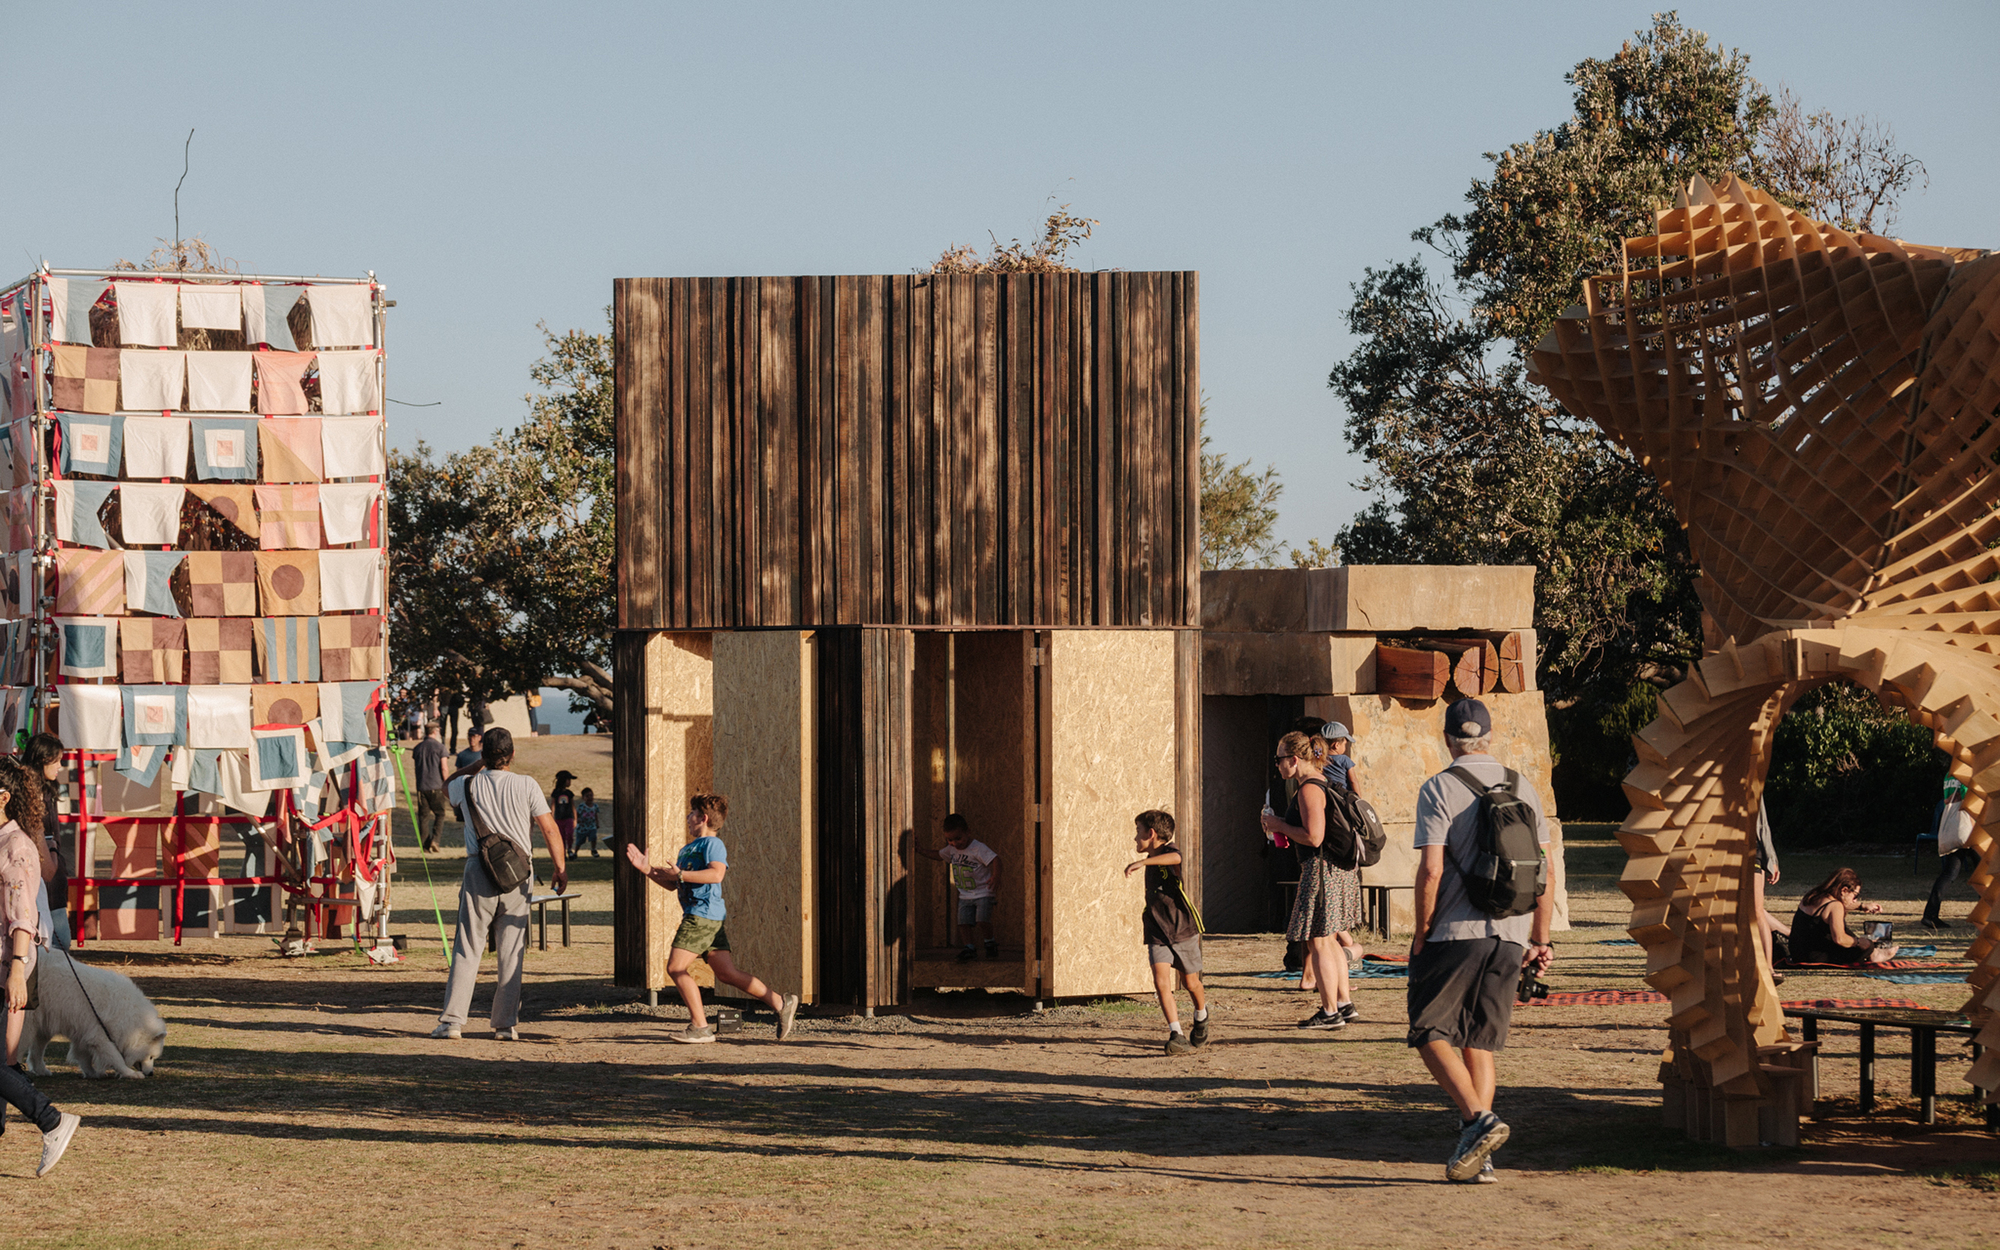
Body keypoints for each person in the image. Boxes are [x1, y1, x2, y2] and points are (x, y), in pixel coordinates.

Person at [1407, 697, 1553, 1184]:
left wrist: (1422, 931)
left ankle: (1477, 1121)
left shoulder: (1439, 787)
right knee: (1478, 1041)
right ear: (1489, 738)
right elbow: (1547, 870)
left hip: (1455, 932)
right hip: (1510, 934)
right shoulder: (1523, 786)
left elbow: (1431, 869)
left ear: (1448, 739)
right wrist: (1540, 938)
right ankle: (1480, 1156)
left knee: (1428, 1031)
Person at [624, 793, 800, 1044]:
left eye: (692, 813)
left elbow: (716, 875)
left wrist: (680, 875)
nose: (688, 817)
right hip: (706, 917)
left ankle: (700, 1027)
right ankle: (781, 1003)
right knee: (727, 974)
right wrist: (647, 870)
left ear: (703, 818)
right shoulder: (688, 848)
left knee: (675, 968)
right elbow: (674, 884)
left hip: (701, 916)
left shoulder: (712, 844)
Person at [429, 728, 567, 1041]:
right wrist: (560, 868)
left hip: (478, 868)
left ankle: (452, 1022)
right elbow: (550, 829)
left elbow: (445, 785)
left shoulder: (467, 784)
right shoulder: (527, 784)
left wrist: (476, 765)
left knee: (468, 946)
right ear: (512, 754)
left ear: (483, 755)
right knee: (512, 950)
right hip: (519, 872)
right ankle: (505, 1025)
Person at [0, 757, 82, 1175]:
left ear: (3, 797)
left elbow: (22, 916)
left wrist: (17, 969)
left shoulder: (16, 848)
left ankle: (51, 1120)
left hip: (6, 964)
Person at [1261, 731, 1359, 1029]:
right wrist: (1284, 827)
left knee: (1318, 940)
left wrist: (1278, 825)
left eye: (1279, 759)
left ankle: (1329, 1012)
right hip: (1334, 869)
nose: (1277, 765)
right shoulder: (1320, 783)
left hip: (1320, 870)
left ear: (1294, 759)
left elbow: (1314, 837)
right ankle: (1343, 1004)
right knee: (1328, 939)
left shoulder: (1309, 789)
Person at [1124, 809, 1209, 1055]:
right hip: (1156, 929)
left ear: (1151, 833)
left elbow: (1176, 858)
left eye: (1138, 832)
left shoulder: (1168, 852)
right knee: (1161, 982)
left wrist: (1143, 862)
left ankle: (1201, 1015)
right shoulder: (1152, 856)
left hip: (1181, 928)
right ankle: (1176, 1034)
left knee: (1191, 982)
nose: (1135, 837)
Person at [915, 814, 1000, 960]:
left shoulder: (977, 848)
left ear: (968, 832)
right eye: (950, 840)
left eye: (958, 838)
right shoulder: (951, 849)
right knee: (963, 922)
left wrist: (996, 876)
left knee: (982, 920)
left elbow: (996, 859)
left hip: (983, 892)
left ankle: (990, 942)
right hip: (964, 894)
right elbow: (939, 855)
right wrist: (921, 850)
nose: (954, 843)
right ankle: (969, 947)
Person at [1790, 867, 1900, 965]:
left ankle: (1874, 952)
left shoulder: (1813, 896)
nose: (1855, 900)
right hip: (1815, 957)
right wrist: (1860, 942)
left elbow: (1835, 907)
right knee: (1864, 944)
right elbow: (1840, 939)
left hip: (1797, 953)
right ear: (1844, 890)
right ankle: (1874, 953)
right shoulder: (1835, 906)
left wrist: (1861, 906)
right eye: (1855, 895)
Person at [22, 735, 71, 950]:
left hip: (53, 878)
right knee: (54, 946)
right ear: (43, 759)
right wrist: (51, 849)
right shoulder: (26, 795)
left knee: (61, 943)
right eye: (56, 760)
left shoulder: (47, 791)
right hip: (36, 877)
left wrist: (54, 851)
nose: (60, 766)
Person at [1923, 778, 1978, 930]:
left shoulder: (1949, 775)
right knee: (1984, 872)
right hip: (1967, 829)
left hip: (1954, 829)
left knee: (1949, 873)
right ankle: (1988, 913)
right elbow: (1969, 803)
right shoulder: (1966, 773)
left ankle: (1930, 914)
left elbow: (1947, 800)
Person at [1750, 800, 1784, 981]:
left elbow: (1762, 824)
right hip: (1719, 848)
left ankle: (1768, 968)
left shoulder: (1751, 787)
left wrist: (1771, 859)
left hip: (1750, 848)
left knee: (1756, 910)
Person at [412, 725, 448, 853]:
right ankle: (435, 840)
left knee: (423, 817)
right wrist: (447, 783)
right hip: (436, 786)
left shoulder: (418, 748)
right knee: (440, 814)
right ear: (434, 732)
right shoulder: (440, 747)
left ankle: (425, 846)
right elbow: (444, 767)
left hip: (421, 787)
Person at [551, 771, 578, 858]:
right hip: (559, 818)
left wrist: (575, 819)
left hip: (568, 818)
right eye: (568, 780)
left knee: (569, 834)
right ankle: (562, 852)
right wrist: (551, 818)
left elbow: (573, 806)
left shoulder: (569, 793)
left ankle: (569, 849)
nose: (570, 782)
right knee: (561, 836)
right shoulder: (556, 793)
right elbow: (553, 806)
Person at [575, 788, 601, 857]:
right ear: (583, 798)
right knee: (579, 841)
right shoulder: (581, 806)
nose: (589, 797)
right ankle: (575, 852)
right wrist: (577, 820)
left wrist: (597, 823)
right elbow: (577, 814)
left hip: (592, 826)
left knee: (593, 837)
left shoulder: (595, 806)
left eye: (591, 795)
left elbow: (595, 815)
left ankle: (593, 849)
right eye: (587, 796)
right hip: (582, 827)